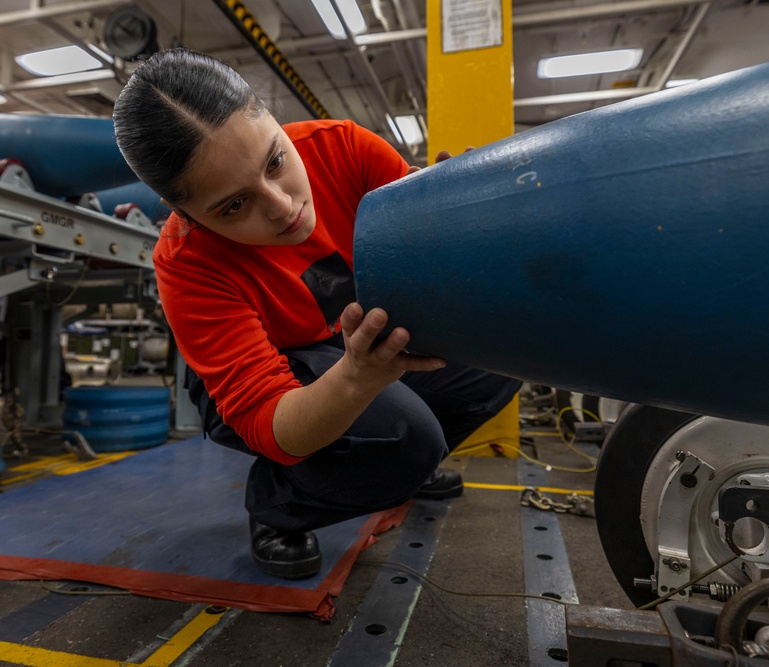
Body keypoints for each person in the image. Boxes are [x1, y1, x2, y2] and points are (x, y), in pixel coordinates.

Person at [113, 48, 522, 579]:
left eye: (275, 161)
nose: (282, 206)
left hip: (343, 343)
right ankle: (279, 507)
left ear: (274, 121)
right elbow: (269, 420)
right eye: (233, 206)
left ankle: (400, 463)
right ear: (184, 214)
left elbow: (432, 272)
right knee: (404, 442)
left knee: (498, 360)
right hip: (271, 373)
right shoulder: (187, 263)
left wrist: (466, 231)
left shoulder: (344, 148)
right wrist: (356, 379)